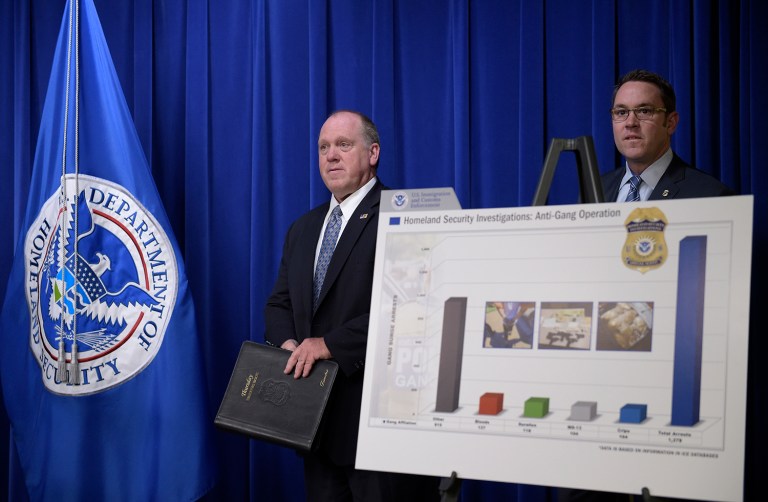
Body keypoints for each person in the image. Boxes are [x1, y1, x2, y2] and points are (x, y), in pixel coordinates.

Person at [264, 110, 439, 502]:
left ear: (373, 152)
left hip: (382, 426)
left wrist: (327, 344)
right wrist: (288, 345)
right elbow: (279, 304)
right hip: (315, 424)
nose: (331, 156)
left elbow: (414, 308)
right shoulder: (303, 228)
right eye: (324, 147)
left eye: (344, 145)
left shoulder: (405, 216)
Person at [602, 69, 734, 201]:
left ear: (671, 123)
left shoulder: (711, 196)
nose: (630, 123)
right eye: (621, 112)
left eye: (644, 111)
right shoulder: (596, 191)